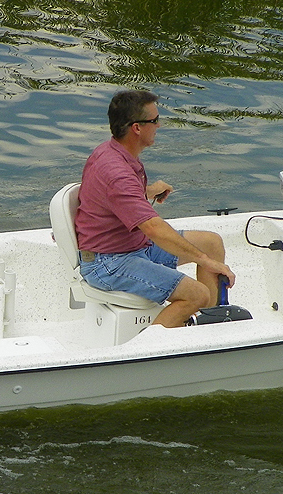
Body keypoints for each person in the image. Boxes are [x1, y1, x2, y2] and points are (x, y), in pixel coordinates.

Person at [76, 90, 235, 328]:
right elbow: (153, 228)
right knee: (196, 294)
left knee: (211, 243)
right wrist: (205, 261)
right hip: (109, 262)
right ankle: (148, 350)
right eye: (155, 120)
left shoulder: (112, 153)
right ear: (137, 128)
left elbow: (114, 198)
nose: (159, 125)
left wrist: (147, 191)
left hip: (132, 246)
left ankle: (206, 328)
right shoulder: (117, 173)